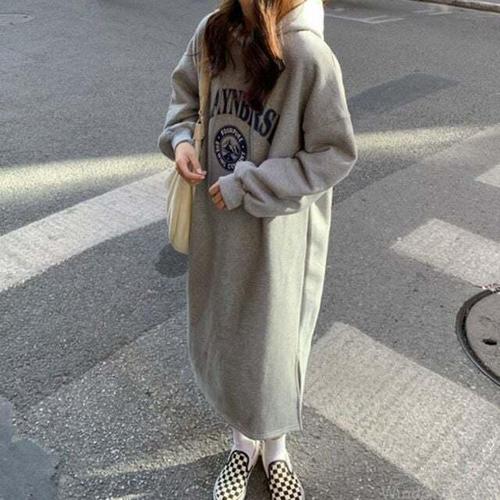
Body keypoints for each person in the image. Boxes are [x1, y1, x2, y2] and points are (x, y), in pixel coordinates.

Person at [158, 0, 358, 498]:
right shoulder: (213, 32)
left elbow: (334, 153)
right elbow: (185, 100)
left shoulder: (308, 55)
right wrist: (182, 141)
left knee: (273, 343)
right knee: (228, 330)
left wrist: (248, 184)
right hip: (216, 224)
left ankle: (276, 449)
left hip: (278, 235)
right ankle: (242, 443)